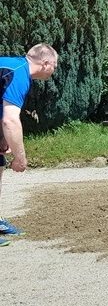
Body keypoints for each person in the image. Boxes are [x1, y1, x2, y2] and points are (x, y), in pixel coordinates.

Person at [0, 44, 59, 246]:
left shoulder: (15, 67)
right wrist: (20, 158)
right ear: (46, 63)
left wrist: (4, 139)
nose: (54, 70)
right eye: (54, 66)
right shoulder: (18, 73)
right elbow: (10, 120)